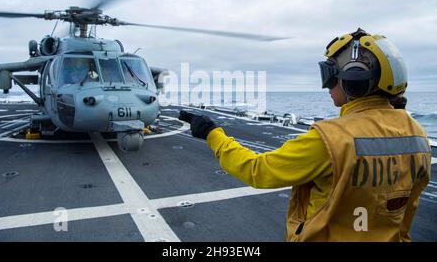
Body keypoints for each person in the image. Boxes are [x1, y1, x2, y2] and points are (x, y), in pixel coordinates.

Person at [179, 28, 431, 242]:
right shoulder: (418, 137)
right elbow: (405, 217)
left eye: (330, 77)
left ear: (354, 80)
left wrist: (212, 133)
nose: (327, 87)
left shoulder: (330, 138)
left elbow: (258, 171)